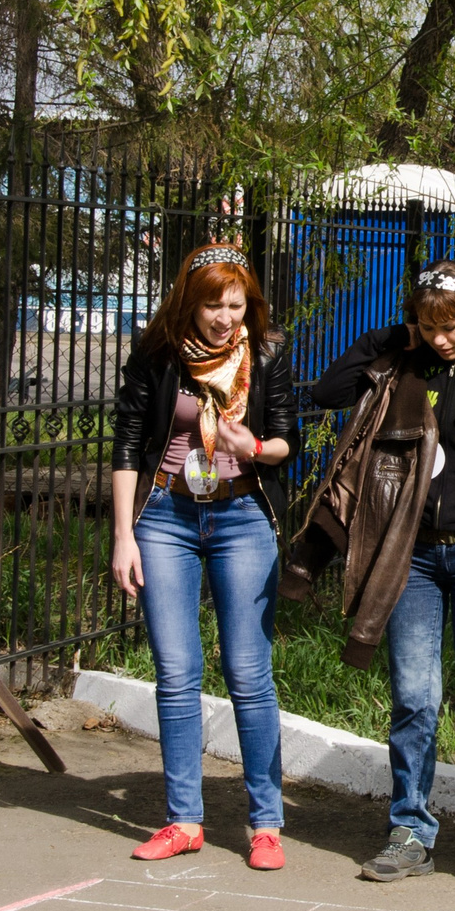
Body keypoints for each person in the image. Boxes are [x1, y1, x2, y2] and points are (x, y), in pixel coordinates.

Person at [312, 260, 455, 888]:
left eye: (452, 325)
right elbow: (326, 393)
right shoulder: (407, 359)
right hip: (410, 553)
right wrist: (392, 336)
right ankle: (410, 832)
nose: (441, 339)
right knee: (414, 700)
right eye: (428, 325)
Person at [109, 242, 299, 870]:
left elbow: (288, 440)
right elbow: (128, 442)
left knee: (248, 673)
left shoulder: (265, 353)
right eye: (213, 305)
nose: (224, 318)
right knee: (176, 673)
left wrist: (254, 447)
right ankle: (183, 820)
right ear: (189, 303)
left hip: (243, 518)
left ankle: (265, 824)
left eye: (235, 305)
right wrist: (123, 535)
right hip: (166, 516)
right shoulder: (157, 353)